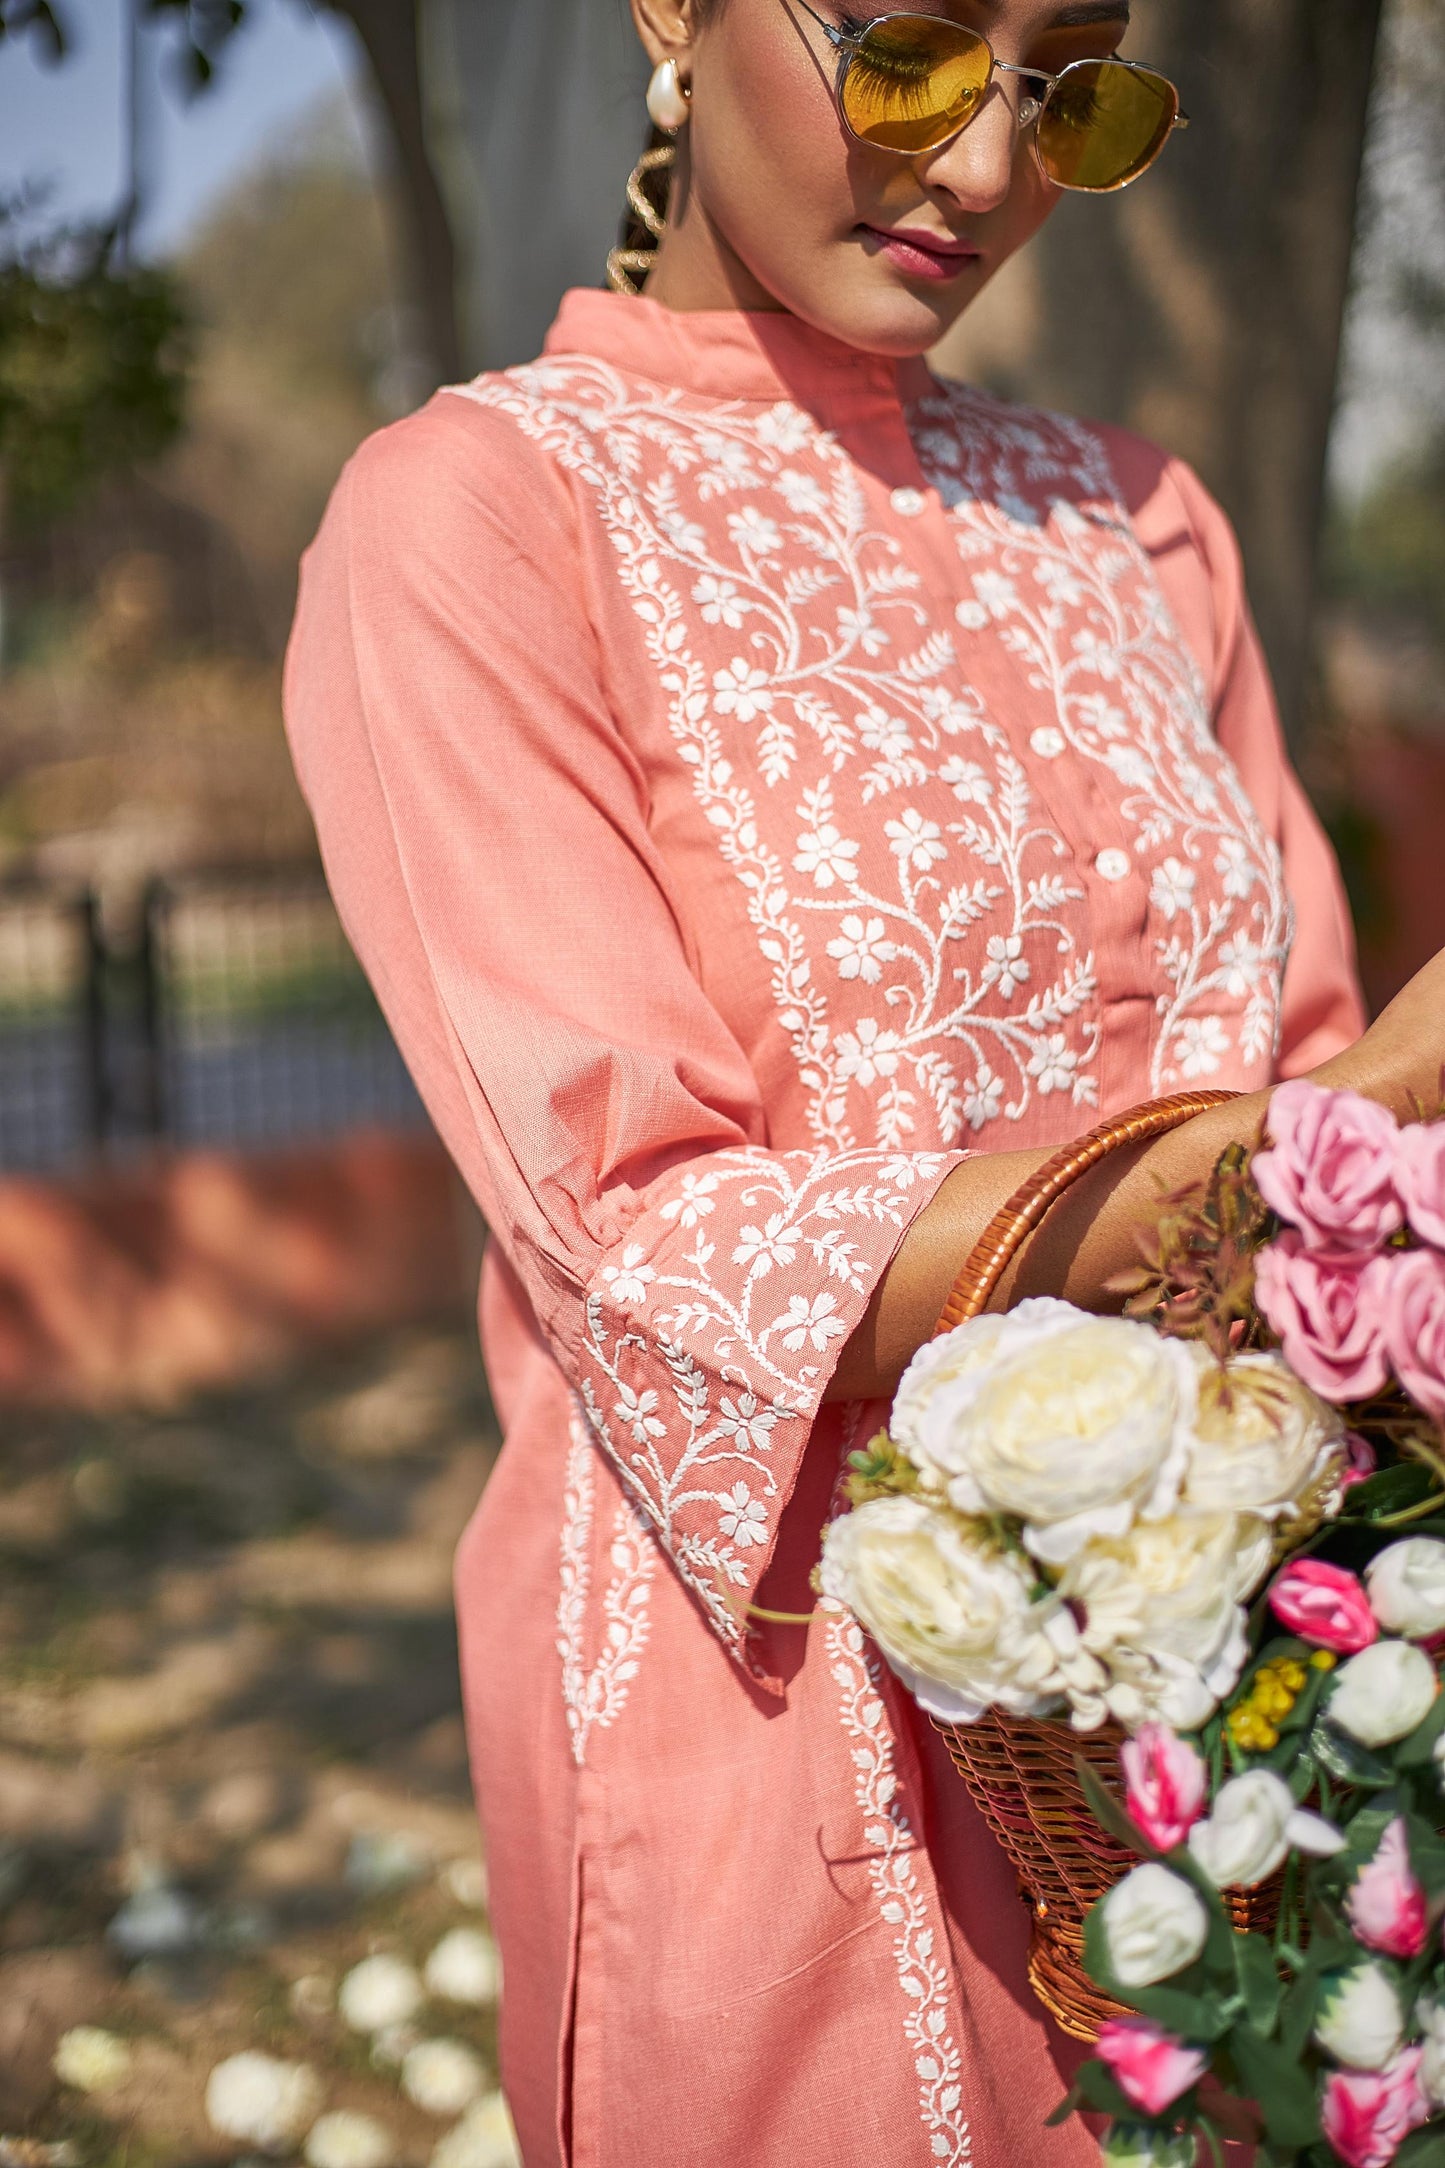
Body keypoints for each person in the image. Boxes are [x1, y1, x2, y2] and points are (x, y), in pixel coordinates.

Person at [282, 2, 1445, 2160]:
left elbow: (1326, 1116)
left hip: (1231, 1729)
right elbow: (645, 1224)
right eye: (908, 54)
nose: (989, 170)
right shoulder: (475, 521)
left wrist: (1369, 1137)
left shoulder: (1142, 521)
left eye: (1069, 88)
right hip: (790, 1740)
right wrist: (1305, 1147)